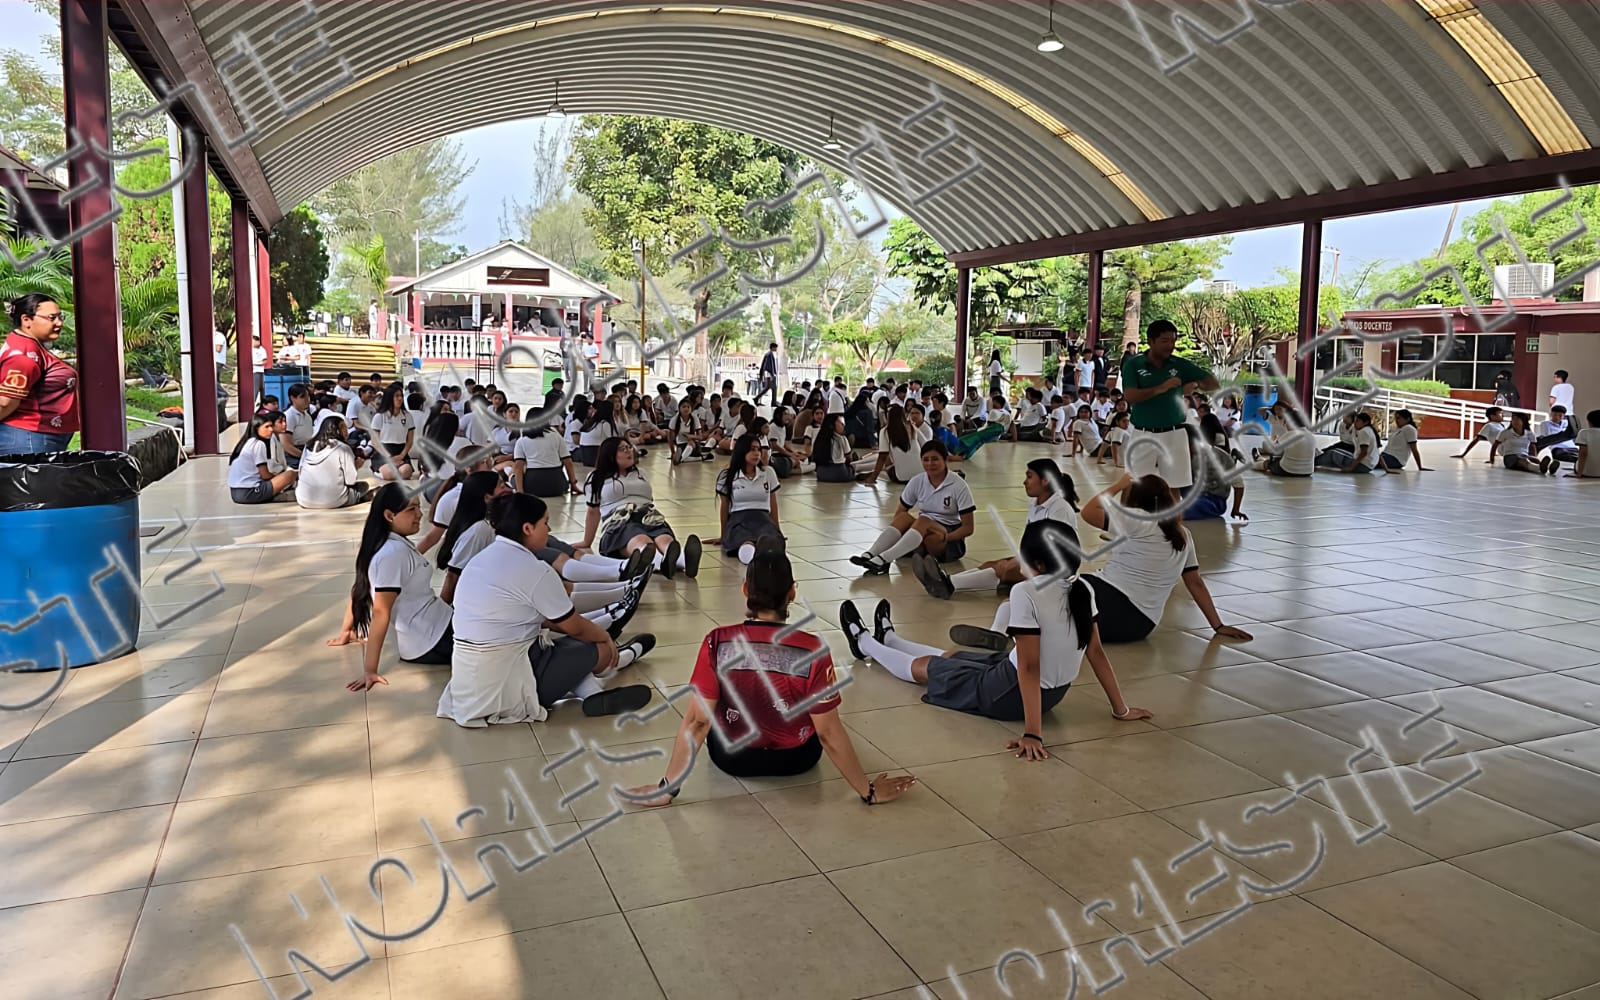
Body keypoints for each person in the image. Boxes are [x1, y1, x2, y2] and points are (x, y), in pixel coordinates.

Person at [839, 521, 1151, 751]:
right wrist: (1120, 709)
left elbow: (1029, 667)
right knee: (954, 656)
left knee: (929, 668)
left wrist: (1033, 733)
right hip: (1051, 693)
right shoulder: (1082, 587)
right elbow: (1096, 652)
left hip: (1010, 694)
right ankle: (889, 638)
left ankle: (864, 642)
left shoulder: (1026, 591)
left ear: (1038, 564)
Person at [629, 551, 917, 798]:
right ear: (792, 593)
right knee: (819, 715)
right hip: (797, 760)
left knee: (714, 714)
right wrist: (867, 790)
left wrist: (666, 788)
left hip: (733, 758)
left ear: (745, 590)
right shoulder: (813, 649)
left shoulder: (717, 641)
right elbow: (828, 732)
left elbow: (698, 722)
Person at [1061, 473, 1251, 644]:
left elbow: (1089, 512)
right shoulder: (1183, 534)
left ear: (1136, 499)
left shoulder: (1139, 518)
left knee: (1058, 586)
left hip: (1110, 607)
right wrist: (1218, 625)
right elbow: (1195, 583)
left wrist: (1119, 485)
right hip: (1140, 626)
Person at [330, 485, 455, 691]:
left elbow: (360, 586)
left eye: (418, 507)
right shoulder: (392, 554)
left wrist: (347, 630)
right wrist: (370, 670)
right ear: (389, 515)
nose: (419, 514)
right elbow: (381, 611)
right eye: (411, 509)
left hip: (438, 624)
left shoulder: (388, 543)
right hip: (431, 639)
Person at [913, 459, 1076, 599]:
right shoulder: (1035, 503)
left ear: (1045, 480)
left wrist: (1019, 562)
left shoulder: (1059, 509)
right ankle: (945, 579)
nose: (1024, 482)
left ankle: (948, 584)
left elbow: (1056, 551)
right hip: (1037, 559)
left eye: (1029, 476)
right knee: (990, 564)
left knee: (1002, 568)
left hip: (1051, 569)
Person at [1118, 320, 1219, 490]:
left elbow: (1213, 383)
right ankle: (1132, 509)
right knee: (1133, 483)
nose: (1170, 346)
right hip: (1143, 433)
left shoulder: (1179, 364)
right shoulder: (1134, 364)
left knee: (1174, 486)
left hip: (1175, 433)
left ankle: (1172, 509)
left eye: (1173, 341)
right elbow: (1130, 396)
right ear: (1150, 341)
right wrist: (1161, 388)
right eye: (1165, 341)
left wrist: (1195, 385)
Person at [581, 437, 702, 578]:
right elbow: (593, 511)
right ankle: (659, 562)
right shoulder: (596, 478)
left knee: (663, 539)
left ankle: (684, 561)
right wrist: (587, 541)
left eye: (629, 447)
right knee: (641, 540)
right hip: (619, 521)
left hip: (647, 516)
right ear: (610, 455)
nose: (629, 451)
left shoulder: (641, 473)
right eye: (622, 449)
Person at [849, 440, 975, 575]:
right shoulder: (917, 481)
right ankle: (872, 553)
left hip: (947, 537)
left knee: (924, 520)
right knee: (903, 517)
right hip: (922, 531)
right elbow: (900, 512)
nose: (930, 464)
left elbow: (968, 528)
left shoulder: (958, 485)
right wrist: (904, 535)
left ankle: (885, 559)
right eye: (925, 460)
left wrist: (945, 537)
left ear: (945, 460)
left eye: (935, 459)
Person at [0, 294, 78, 453]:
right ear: (26, 320)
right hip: (28, 440)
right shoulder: (23, 356)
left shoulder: (31, 347)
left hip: (38, 438)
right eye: (52, 318)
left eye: (60, 317)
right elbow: (5, 403)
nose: (59, 323)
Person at [710, 434, 785, 565]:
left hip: (763, 519)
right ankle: (752, 558)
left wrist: (777, 530)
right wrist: (724, 535)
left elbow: (773, 504)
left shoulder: (768, 473)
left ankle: (765, 557)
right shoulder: (727, 476)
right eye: (752, 449)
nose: (756, 453)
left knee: (770, 542)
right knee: (745, 542)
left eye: (758, 449)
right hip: (739, 520)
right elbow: (724, 507)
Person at [296, 416, 372, 509]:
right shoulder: (343, 448)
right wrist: (356, 466)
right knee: (364, 486)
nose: (347, 431)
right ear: (338, 430)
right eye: (344, 427)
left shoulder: (308, 446)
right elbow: (350, 481)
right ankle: (360, 498)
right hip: (334, 501)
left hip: (303, 500)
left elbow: (300, 472)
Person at [227, 414, 298, 504]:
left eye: (271, 426)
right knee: (290, 474)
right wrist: (278, 478)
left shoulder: (247, 442)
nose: (271, 429)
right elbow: (264, 475)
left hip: (235, 493)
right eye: (266, 427)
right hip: (249, 492)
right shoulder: (259, 444)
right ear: (257, 428)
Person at [514, 410, 582, 497]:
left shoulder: (521, 441)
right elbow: (568, 462)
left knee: (512, 478)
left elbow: (518, 467)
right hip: (557, 485)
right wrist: (573, 484)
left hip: (532, 486)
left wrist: (520, 492)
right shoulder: (556, 436)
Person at [865, 404, 924, 485]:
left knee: (887, 463)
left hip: (903, 478)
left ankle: (875, 474)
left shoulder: (885, 431)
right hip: (921, 475)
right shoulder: (912, 427)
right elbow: (925, 443)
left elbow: (882, 457)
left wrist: (873, 478)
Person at [1254, 401, 1315, 477]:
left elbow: (1274, 450)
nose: (1285, 425)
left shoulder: (1291, 434)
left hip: (1288, 470)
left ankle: (1254, 464)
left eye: (1286, 422)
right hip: (1308, 472)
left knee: (1269, 463)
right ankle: (1260, 459)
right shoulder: (1311, 435)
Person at [370, 384, 417, 480]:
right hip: (383, 451)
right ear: (389, 398)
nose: (400, 399)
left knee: (406, 472)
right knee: (390, 474)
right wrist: (389, 457)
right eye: (397, 396)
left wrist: (401, 456)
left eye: (401, 396)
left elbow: (409, 441)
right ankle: (378, 472)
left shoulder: (407, 416)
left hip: (401, 451)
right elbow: (374, 442)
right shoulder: (379, 416)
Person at [812, 413, 873, 482]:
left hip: (822, 474)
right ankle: (857, 475)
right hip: (840, 473)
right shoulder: (841, 438)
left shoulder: (819, 439)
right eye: (840, 423)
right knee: (851, 467)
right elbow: (848, 458)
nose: (843, 425)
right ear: (832, 426)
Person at [1565, 408, 1600, 478]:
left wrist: (1579, 474)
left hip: (1587, 472)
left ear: (1589, 422)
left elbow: (1583, 453)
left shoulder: (1584, 432)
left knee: (1576, 461)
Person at [756, 342, 779, 406]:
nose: (776, 349)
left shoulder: (770, 354)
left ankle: (773, 402)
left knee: (771, 388)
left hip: (769, 374)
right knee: (771, 388)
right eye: (775, 347)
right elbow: (767, 366)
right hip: (769, 375)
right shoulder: (769, 355)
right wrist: (771, 374)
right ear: (773, 347)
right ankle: (757, 398)